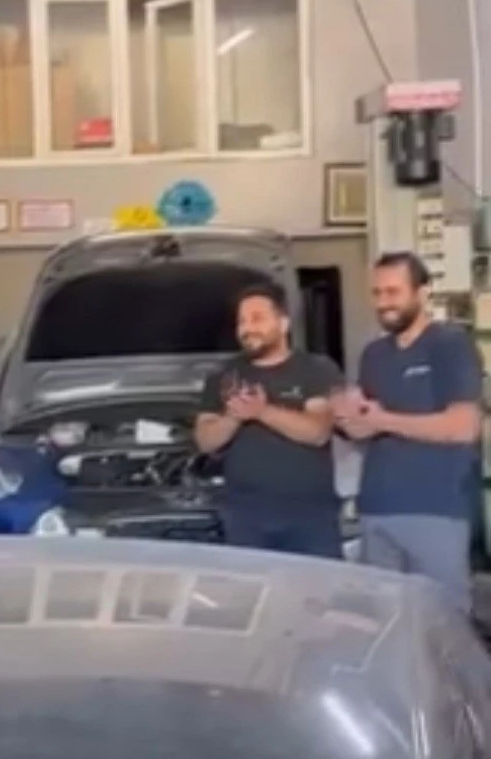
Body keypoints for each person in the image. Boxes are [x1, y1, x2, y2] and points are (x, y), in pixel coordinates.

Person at [333, 251, 483, 612]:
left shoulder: (450, 345)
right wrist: (347, 418)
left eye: (393, 292)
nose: (383, 302)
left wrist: (383, 420)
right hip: (376, 510)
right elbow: (365, 427)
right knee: (384, 622)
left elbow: (464, 427)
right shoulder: (373, 354)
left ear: (423, 292)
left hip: (435, 512)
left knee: (443, 623)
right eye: (376, 293)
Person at [195, 280, 345, 557]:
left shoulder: (316, 369)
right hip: (245, 518)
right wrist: (234, 417)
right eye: (241, 321)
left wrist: (262, 411)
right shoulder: (222, 375)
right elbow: (205, 440)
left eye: (257, 318)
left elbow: (318, 432)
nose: (247, 328)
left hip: (311, 517)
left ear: (284, 323)